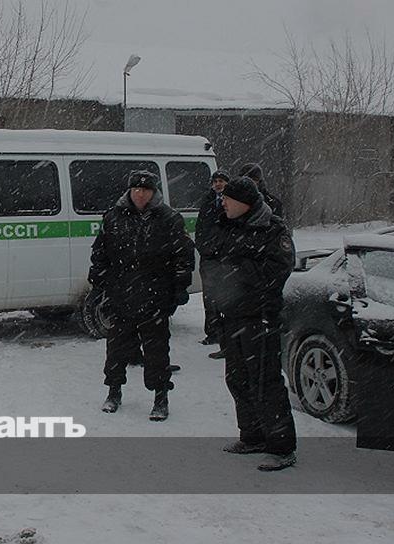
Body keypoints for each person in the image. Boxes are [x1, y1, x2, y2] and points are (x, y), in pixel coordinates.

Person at [207, 175, 298, 471]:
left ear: (244, 202)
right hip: (231, 316)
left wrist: (236, 269)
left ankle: (282, 447)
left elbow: (277, 271)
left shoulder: (272, 229)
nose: (223, 202)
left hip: (260, 318)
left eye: (228, 198)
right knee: (237, 378)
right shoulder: (226, 225)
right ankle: (252, 435)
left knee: (265, 382)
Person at [89, 170, 195, 421]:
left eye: (145, 190)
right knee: (116, 349)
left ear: (153, 192)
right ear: (129, 190)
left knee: (156, 351)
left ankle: (161, 397)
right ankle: (114, 391)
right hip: (121, 295)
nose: (140, 194)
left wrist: (179, 288)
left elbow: (183, 256)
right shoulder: (113, 217)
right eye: (136, 189)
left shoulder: (169, 218)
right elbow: (100, 253)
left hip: (155, 296)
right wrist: (100, 282)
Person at [195, 170, 230, 350]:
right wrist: (203, 247)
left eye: (221, 181)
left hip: (225, 258)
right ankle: (212, 332)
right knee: (209, 297)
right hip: (208, 258)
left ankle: (226, 335)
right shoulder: (207, 201)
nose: (218, 184)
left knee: (226, 296)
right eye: (215, 181)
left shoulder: (231, 201)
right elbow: (200, 227)